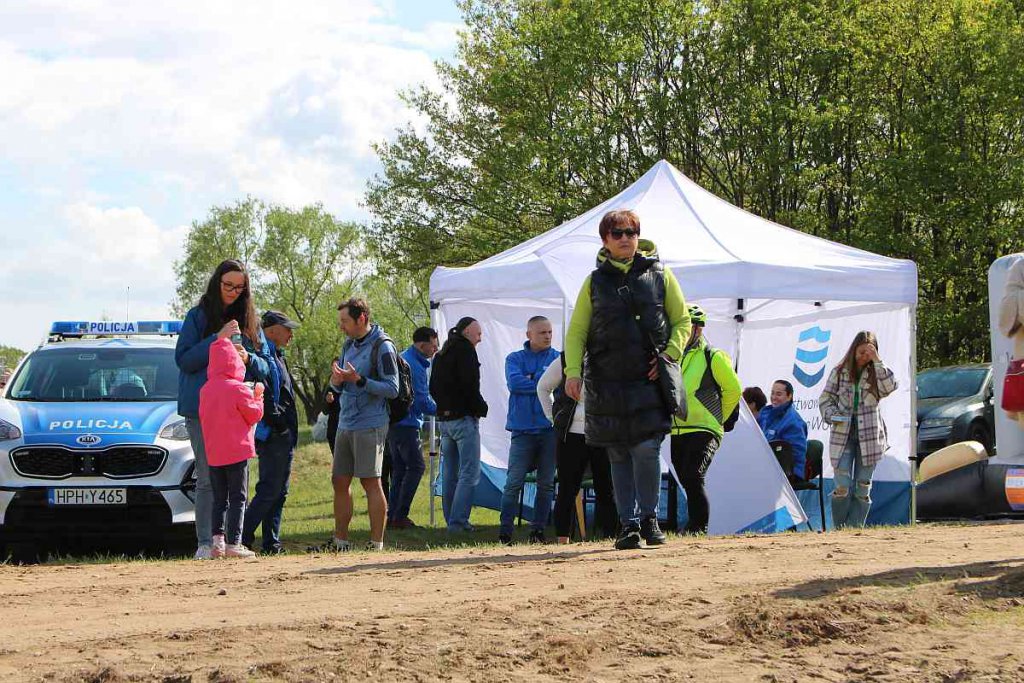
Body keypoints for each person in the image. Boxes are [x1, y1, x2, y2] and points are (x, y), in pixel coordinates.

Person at [564, 209, 691, 550]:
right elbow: (577, 332)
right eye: (617, 233)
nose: (625, 239)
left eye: (631, 232)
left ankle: (650, 518)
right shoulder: (594, 282)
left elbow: (682, 322)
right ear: (605, 239)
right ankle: (628, 525)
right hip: (605, 382)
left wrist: (668, 356)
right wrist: (573, 372)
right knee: (618, 454)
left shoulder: (661, 275)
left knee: (647, 449)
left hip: (647, 380)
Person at [175, 259, 272, 560]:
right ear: (217, 283)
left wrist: (248, 360)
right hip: (201, 411)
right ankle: (206, 543)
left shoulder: (250, 320)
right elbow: (184, 359)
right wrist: (215, 340)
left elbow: (268, 366)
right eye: (228, 285)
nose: (233, 292)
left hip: (238, 413)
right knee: (207, 476)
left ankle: (233, 542)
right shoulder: (198, 316)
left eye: (239, 287)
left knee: (237, 480)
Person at [326, 297, 399, 551]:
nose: (341, 327)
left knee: (370, 481)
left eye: (345, 321)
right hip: (346, 422)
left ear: (362, 319)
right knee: (339, 480)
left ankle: (376, 543)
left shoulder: (384, 346)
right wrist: (336, 381)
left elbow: (393, 388)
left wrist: (360, 380)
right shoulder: (348, 345)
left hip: (371, 423)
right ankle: (340, 541)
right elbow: (339, 384)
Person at [670, 305, 741, 535]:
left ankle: (698, 528)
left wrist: (719, 417)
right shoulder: (672, 355)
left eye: (686, 326)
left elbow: (733, 389)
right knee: (686, 479)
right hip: (677, 429)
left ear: (698, 330)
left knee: (693, 475)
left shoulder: (713, 356)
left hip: (704, 428)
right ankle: (694, 526)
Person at [818, 331, 898, 528]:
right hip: (842, 434)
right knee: (842, 485)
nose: (864, 357)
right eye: (861, 352)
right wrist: (833, 415)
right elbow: (825, 399)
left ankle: (855, 529)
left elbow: (890, 387)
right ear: (853, 350)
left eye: (868, 353)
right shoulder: (839, 372)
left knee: (863, 486)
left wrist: (878, 361)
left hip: (870, 436)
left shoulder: (877, 373)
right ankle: (840, 528)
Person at [537, 352, 617, 544]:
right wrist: (553, 418)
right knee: (567, 489)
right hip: (570, 435)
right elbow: (542, 388)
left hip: (603, 434)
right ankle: (562, 539)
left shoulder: (613, 356)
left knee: (607, 489)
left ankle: (610, 537)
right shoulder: (566, 359)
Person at [199, 337, 264, 559]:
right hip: (237, 452)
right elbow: (254, 415)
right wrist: (258, 397)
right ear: (234, 362)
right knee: (238, 498)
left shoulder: (205, 390)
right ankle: (234, 543)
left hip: (214, 453)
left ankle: (217, 542)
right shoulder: (238, 389)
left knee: (220, 499)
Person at [242, 310, 300, 554]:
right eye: (287, 329)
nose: (290, 334)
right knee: (269, 489)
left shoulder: (276, 354)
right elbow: (260, 391)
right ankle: (241, 537)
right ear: (272, 328)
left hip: (283, 433)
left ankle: (271, 543)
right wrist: (277, 421)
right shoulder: (260, 355)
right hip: (273, 433)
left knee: (279, 491)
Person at [498, 316, 560, 545]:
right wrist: (544, 382)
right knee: (514, 482)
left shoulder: (557, 358)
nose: (547, 336)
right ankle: (505, 531)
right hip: (522, 430)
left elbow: (560, 387)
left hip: (548, 430)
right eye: (542, 332)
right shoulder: (514, 358)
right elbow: (514, 384)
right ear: (529, 335)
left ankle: (538, 530)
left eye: (550, 332)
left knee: (546, 484)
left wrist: (532, 380)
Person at [429, 317, 488, 533]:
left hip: (445, 420)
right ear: (467, 333)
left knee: (450, 473)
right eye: (478, 334)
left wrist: (445, 406)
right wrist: (481, 408)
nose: (480, 339)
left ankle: (451, 519)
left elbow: (433, 388)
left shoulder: (442, 354)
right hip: (464, 419)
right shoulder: (466, 352)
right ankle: (458, 521)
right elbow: (470, 386)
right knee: (469, 472)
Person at [386, 326, 439, 529]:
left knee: (399, 470)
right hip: (407, 423)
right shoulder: (415, 366)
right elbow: (421, 401)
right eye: (433, 346)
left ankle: (392, 515)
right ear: (422, 344)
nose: (435, 349)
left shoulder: (403, 356)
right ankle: (400, 515)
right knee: (416, 467)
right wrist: (445, 411)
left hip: (394, 423)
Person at [757, 380, 808, 480]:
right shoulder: (765, 413)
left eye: (779, 394)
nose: (774, 397)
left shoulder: (793, 422)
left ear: (789, 396)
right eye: (772, 393)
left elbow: (795, 455)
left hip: (786, 472)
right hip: (765, 465)